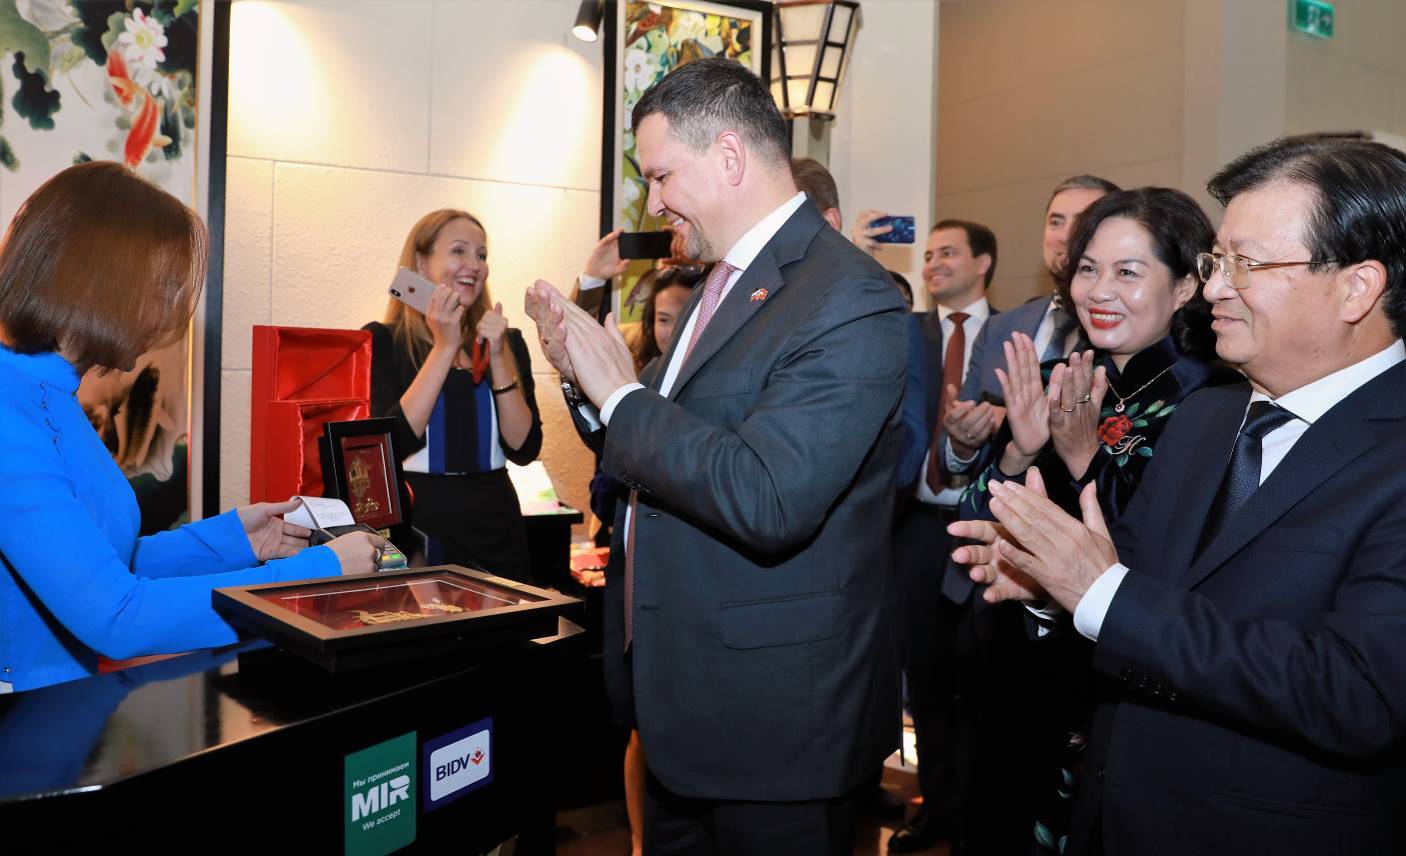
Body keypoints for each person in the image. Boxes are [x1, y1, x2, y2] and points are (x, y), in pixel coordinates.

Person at [952, 135, 1406, 855]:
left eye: (1247, 264)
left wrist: (1098, 591)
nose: (1217, 288)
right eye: (1217, 261)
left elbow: (1357, 694)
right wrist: (1051, 587)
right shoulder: (1209, 417)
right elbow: (1132, 582)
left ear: (1357, 287)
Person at [527, 56, 906, 854]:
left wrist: (621, 394)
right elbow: (656, 443)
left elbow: (770, 498)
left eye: (661, 176)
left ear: (730, 155)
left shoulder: (850, 295)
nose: (653, 202)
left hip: (776, 728)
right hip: (686, 704)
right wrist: (587, 382)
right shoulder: (721, 281)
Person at [0, 161, 383, 693]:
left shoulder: (52, 394)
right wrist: (316, 573)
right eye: (159, 289)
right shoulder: (12, 410)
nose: (165, 317)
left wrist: (237, 540)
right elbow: (117, 615)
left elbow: (109, 563)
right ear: (100, 281)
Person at [956, 187, 1230, 854]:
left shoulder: (1212, 400)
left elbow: (1158, 557)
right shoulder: (1066, 377)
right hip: (1018, 667)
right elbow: (973, 529)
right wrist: (1020, 449)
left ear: (1186, 286)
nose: (1100, 291)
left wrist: (1084, 458)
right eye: (1088, 268)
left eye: (1128, 272)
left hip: (1119, 687)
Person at [886, 219, 999, 854]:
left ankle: (978, 815)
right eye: (928, 255)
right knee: (924, 676)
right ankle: (936, 806)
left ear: (983, 262)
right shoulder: (907, 331)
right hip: (917, 526)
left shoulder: (1013, 333)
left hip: (988, 529)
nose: (933, 264)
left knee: (980, 678)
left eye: (948, 252)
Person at [364, 209, 543, 580]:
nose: (474, 265)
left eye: (482, 254)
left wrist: (498, 358)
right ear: (420, 262)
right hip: (418, 530)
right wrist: (445, 347)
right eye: (459, 251)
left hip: (499, 531)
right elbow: (389, 445)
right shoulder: (382, 340)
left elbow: (524, 448)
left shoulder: (507, 341)